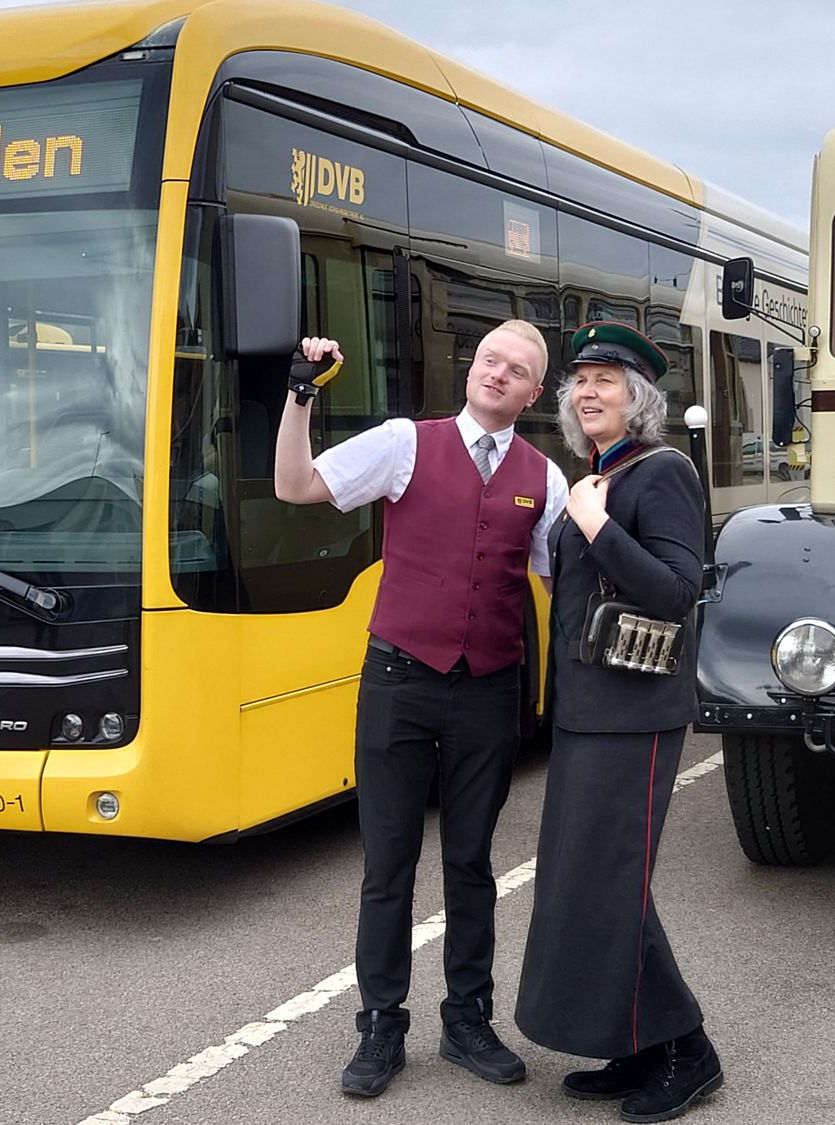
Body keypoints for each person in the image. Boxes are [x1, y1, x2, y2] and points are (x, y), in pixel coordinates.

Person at [273, 320, 570, 1099]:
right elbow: (295, 486)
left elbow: (565, 582)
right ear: (472, 369)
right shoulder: (405, 443)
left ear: (534, 394)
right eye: (490, 359)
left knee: (471, 862)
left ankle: (468, 1019)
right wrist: (300, 395)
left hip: (490, 688)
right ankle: (380, 1022)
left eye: (517, 370)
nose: (498, 373)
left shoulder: (546, 478)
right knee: (389, 862)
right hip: (399, 681)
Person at [515, 322, 722, 1122]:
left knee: (610, 881)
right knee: (589, 882)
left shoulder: (660, 471)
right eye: (578, 381)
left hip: (635, 717)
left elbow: (677, 590)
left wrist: (596, 524)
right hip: (588, 714)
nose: (586, 392)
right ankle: (636, 1043)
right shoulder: (599, 475)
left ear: (638, 398)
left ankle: (689, 1050)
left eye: (604, 379)